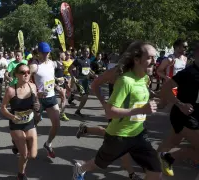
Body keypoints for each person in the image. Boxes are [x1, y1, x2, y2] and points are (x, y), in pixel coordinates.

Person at [72, 41, 162, 180]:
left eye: (155, 57)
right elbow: (109, 111)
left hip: (138, 133)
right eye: (150, 57)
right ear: (136, 59)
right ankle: (81, 168)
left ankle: (131, 172)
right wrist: (140, 109)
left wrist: (154, 98)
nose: (155, 61)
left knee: (155, 171)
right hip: (119, 136)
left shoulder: (144, 78)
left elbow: (138, 97)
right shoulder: (124, 80)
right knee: (99, 163)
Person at [158, 41, 199, 177]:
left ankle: (152, 163)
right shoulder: (189, 72)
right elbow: (165, 89)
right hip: (184, 115)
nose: (185, 49)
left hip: (195, 116)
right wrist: (180, 104)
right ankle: (168, 157)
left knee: (172, 141)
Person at [1, 63, 39, 180]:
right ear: (17, 75)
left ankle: (16, 143)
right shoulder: (11, 90)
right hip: (16, 124)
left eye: (28, 72)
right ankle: (21, 174)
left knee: (33, 155)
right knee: (24, 154)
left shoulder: (32, 86)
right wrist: (12, 117)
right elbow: (3, 108)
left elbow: (36, 102)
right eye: (23, 72)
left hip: (29, 122)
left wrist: (37, 106)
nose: (26, 74)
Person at [30, 42, 60, 158]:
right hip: (39, 99)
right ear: (38, 53)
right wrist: (36, 93)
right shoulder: (35, 65)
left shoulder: (52, 64)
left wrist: (58, 87)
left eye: (47, 52)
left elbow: (51, 79)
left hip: (51, 97)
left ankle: (48, 144)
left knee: (57, 124)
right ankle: (23, 141)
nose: (46, 55)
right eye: (43, 53)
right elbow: (25, 80)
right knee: (34, 123)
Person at [68, 46, 97, 117]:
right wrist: (73, 77)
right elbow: (69, 69)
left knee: (85, 98)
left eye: (88, 51)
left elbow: (88, 70)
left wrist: (94, 75)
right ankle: (77, 111)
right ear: (82, 52)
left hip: (86, 81)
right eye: (86, 51)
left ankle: (73, 97)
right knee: (84, 97)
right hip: (79, 81)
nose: (87, 52)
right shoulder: (78, 60)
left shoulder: (89, 60)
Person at [54, 52, 69, 121]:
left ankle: (60, 113)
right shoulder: (54, 63)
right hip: (56, 84)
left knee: (63, 99)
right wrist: (57, 79)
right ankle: (61, 113)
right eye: (64, 54)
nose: (65, 56)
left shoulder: (62, 63)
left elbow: (62, 74)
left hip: (62, 82)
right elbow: (51, 74)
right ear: (60, 55)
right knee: (63, 97)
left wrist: (64, 78)